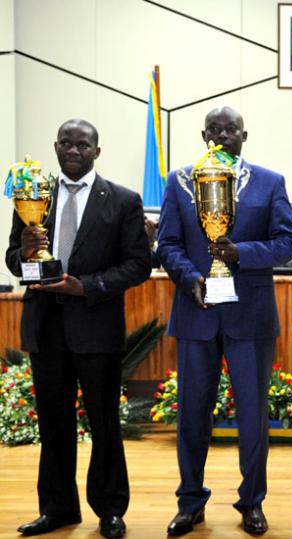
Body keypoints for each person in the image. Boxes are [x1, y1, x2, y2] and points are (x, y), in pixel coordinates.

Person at [5, 119, 152, 538]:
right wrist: (25, 254)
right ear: (55, 147)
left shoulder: (122, 200)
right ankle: (57, 509)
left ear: (96, 152)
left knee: (104, 423)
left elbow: (138, 265)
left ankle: (110, 509)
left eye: (82, 144)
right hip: (45, 327)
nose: (73, 150)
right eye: (66, 143)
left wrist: (85, 286)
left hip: (96, 327)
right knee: (53, 424)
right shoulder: (33, 195)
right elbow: (13, 259)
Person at [157, 106, 292, 536]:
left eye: (230, 129)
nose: (222, 136)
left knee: (253, 416)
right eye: (214, 130)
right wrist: (190, 277)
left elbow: (287, 243)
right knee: (191, 416)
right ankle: (190, 501)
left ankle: (252, 501)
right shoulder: (180, 181)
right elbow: (167, 243)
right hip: (196, 312)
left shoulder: (270, 182)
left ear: (244, 135)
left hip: (249, 317)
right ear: (204, 136)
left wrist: (242, 253)